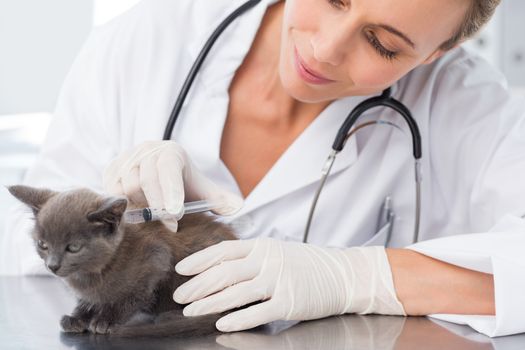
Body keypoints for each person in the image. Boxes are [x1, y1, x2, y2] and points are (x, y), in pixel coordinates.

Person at [2, 0, 525, 338]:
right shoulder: (145, 41)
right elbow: (20, 263)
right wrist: (104, 210)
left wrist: (363, 276)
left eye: (382, 44)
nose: (323, 49)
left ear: (440, 50)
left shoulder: (468, 107)